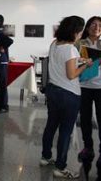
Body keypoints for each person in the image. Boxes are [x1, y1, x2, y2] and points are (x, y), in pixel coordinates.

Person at [40, 16, 92, 179]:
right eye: (80, 30)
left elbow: (61, 63)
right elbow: (71, 74)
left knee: (51, 126)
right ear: (75, 31)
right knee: (65, 131)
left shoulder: (54, 44)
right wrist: (86, 65)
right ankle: (60, 167)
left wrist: (79, 60)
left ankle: (46, 157)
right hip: (68, 94)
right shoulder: (71, 48)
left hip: (53, 90)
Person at [75, 17, 101, 172]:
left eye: (99, 25)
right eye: (93, 24)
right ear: (88, 27)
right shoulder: (80, 43)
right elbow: (73, 61)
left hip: (100, 86)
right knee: (85, 118)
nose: (96, 27)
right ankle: (88, 147)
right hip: (83, 85)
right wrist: (83, 61)